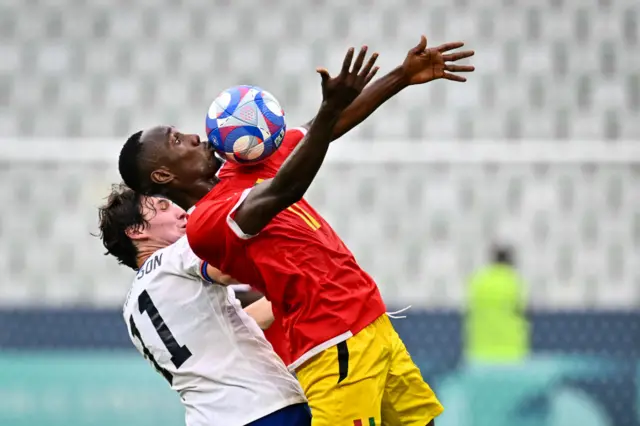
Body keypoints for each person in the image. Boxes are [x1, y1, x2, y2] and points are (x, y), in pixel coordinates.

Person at [118, 37, 475, 426]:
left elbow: (323, 129)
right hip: (332, 343)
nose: (192, 136)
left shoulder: (244, 167)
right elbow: (285, 190)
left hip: (370, 320)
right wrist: (327, 110)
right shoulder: (206, 224)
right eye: (175, 140)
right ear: (163, 175)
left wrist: (401, 76)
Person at [97, 185, 311, 426]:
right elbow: (231, 270)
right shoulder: (177, 253)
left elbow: (236, 324)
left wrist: (301, 290)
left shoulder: (131, 307)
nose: (180, 212)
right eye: (163, 208)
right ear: (136, 231)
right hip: (262, 409)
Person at [465, 244, 530, 363]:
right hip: (512, 353)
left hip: (480, 353)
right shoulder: (514, 282)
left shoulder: (478, 282)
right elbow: (524, 311)